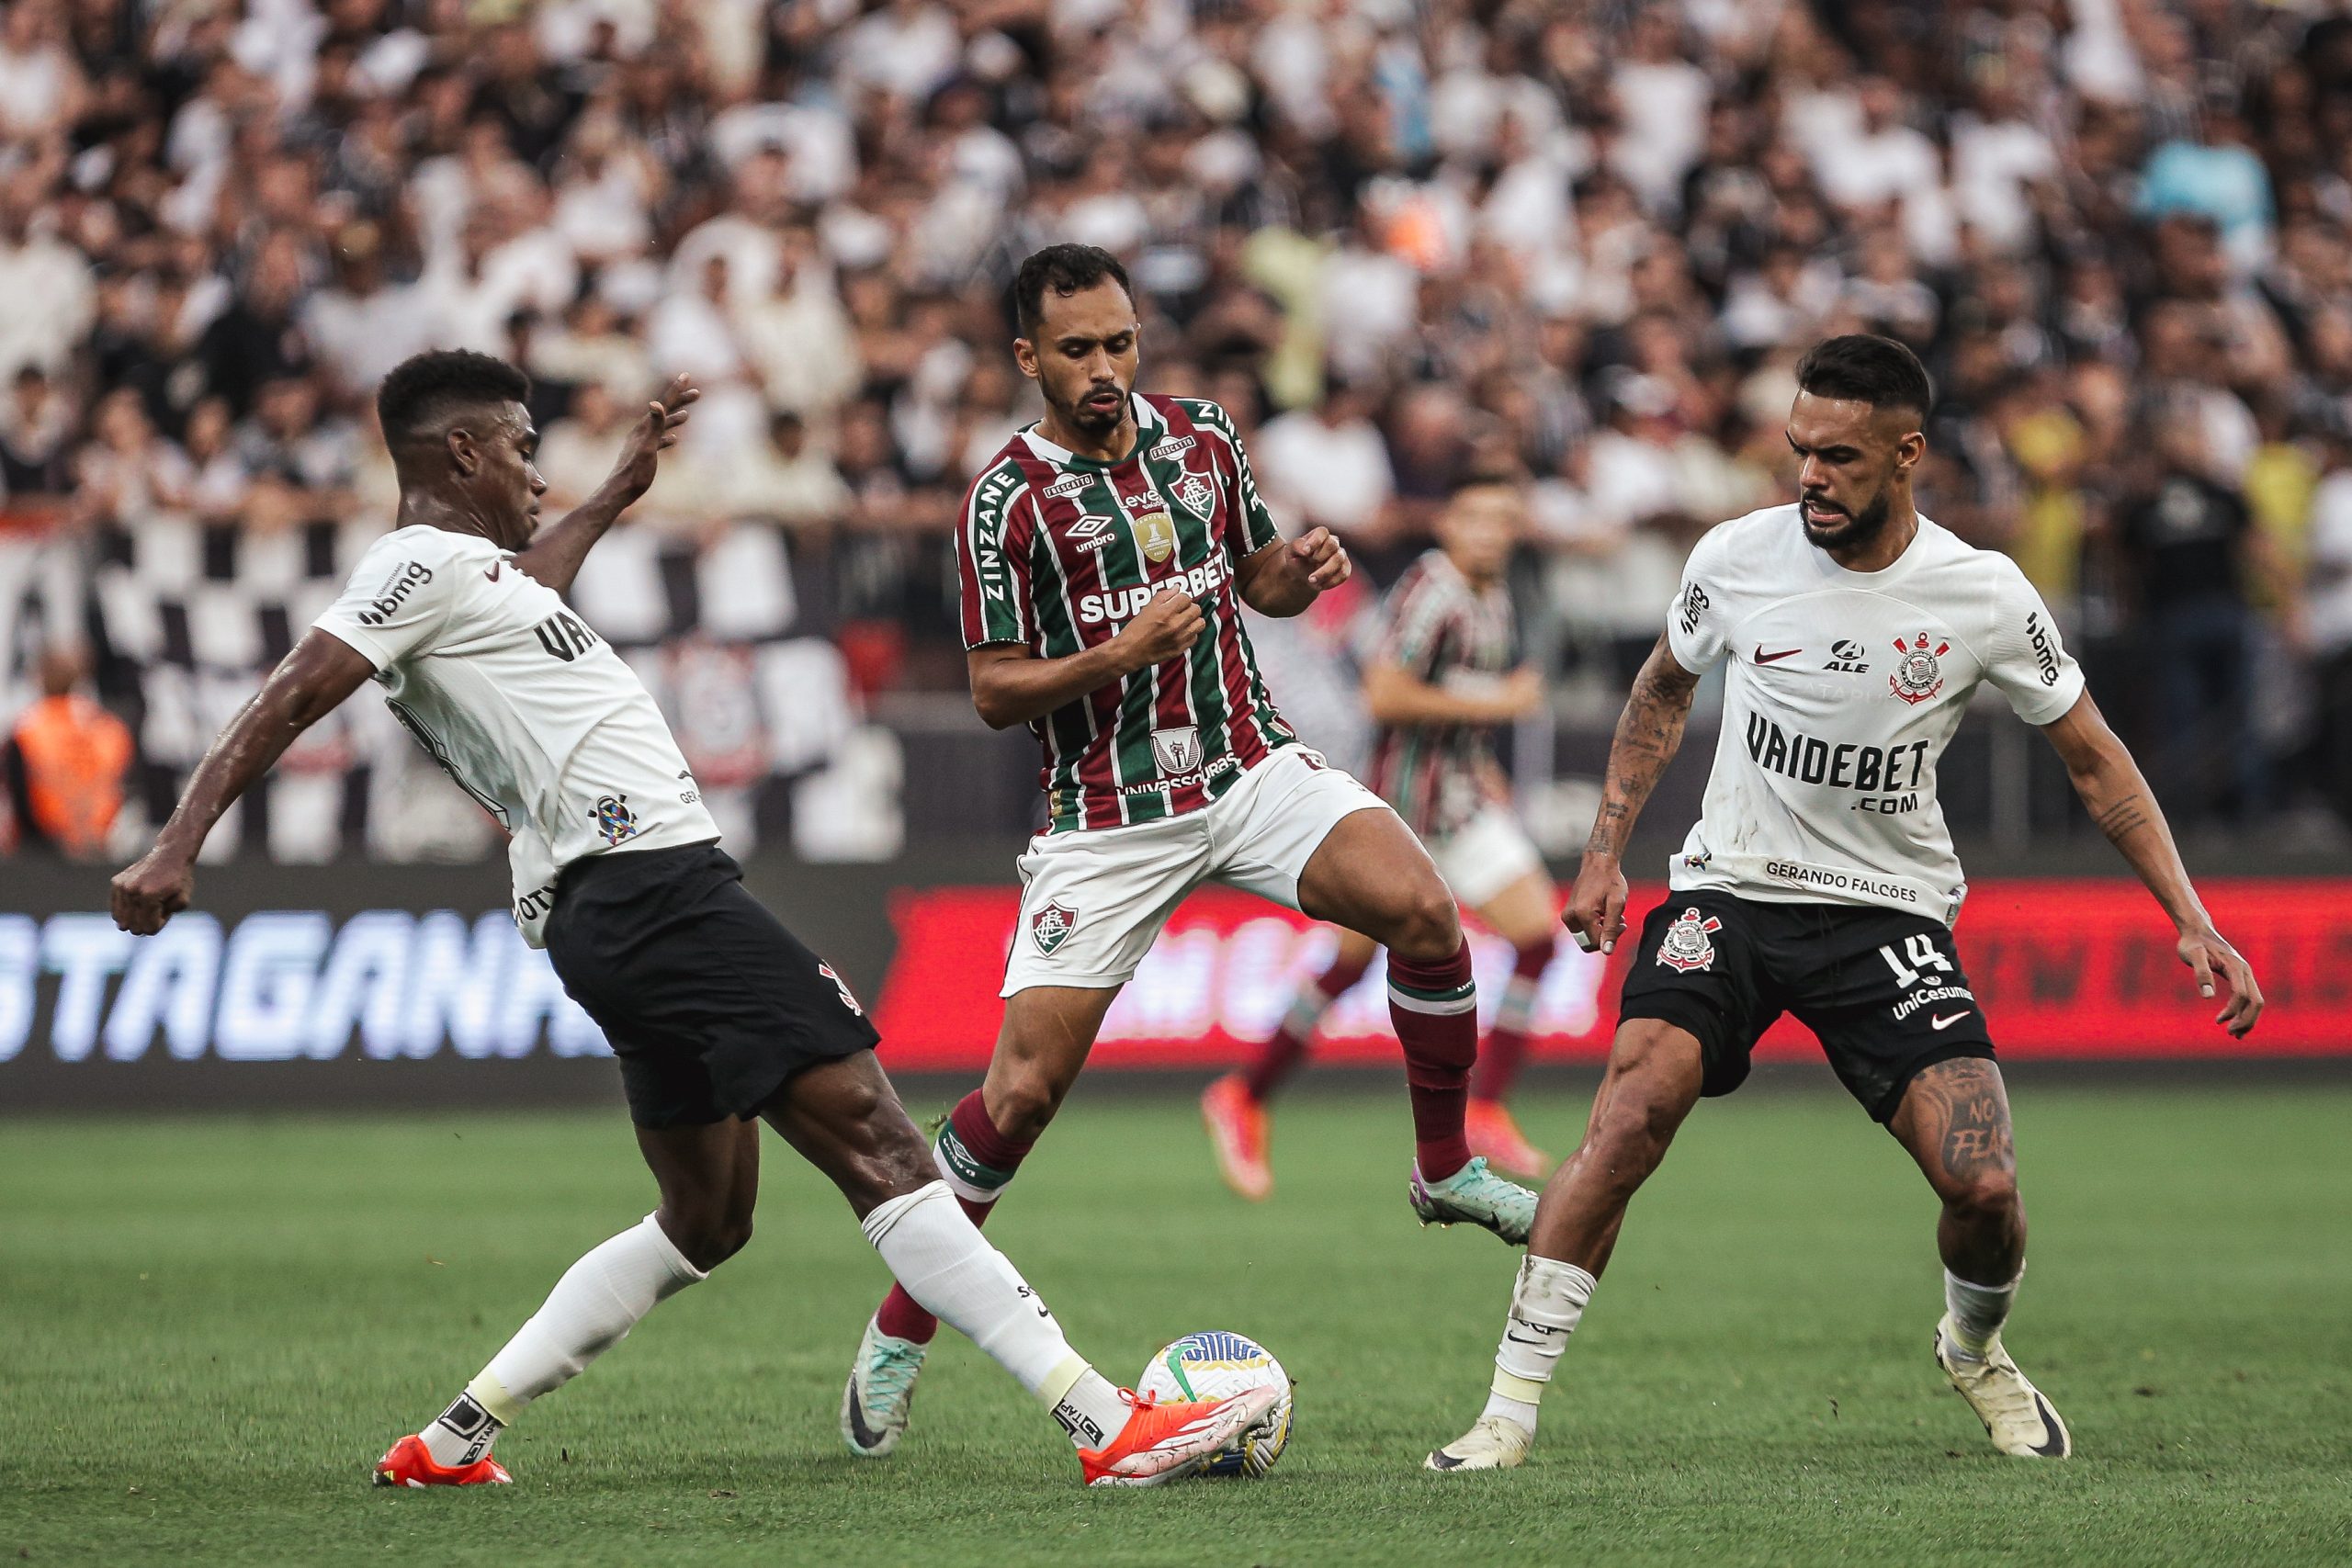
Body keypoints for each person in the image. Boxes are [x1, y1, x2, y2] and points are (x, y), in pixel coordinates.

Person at [108, 349, 1274, 1491]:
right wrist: (176, 843)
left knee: (707, 1218)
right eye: (521, 452)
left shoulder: (481, 582)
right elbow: (297, 686)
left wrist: (618, 490)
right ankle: (1100, 1420)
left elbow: (536, 573)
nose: (538, 478)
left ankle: (455, 1437)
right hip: (651, 887)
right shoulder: (411, 564)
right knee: (881, 1144)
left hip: (603, 911)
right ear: (458, 453)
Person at [1423, 335, 2265, 1472]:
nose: (1809, 476)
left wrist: (2190, 914)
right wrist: (1605, 852)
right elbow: (1661, 690)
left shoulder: (1981, 594)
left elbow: (2095, 760)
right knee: (1627, 1120)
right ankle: (1506, 1415)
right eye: (1798, 451)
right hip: (1728, 891)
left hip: (1888, 916)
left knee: (1983, 1183)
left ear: (1906, 454)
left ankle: (1973, 1349)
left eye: (1838, 457)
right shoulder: (1737, 555)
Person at [839, 244, 1537, 1459]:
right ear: (1028, 358)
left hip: (1245, 763)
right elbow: (997, 692)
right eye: (1077, 351)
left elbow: (1255, 575)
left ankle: (1443, 1166)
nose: (1105, 369)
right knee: (1017, 1098)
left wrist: (1295, 571)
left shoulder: (1203, 437)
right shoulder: (1004, 500)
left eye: (1119, 343)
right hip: (1107, 814)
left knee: (1423, 907)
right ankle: (902, 1328)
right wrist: (1119, 651)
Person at [1203, 481, 1564, 1193]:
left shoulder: (1493, 596)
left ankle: (1485, 1107)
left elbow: (1447, 702)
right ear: (1450, 523)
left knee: (1539, 936)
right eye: (1478, 516)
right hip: (1402, 808)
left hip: (1458, 806)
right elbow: (1386, 693)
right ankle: (1244, 1095)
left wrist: (1483, 761)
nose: (1492, 532)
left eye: (1504, 520)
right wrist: (1498, 702)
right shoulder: (1432, 591)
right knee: (1349, 962)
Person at [4, 644, 132, 857]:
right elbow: (122, 786)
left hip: (40, 848)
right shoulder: (108, 727)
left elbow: (17, 791)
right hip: (97, 845)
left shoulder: (28, 728)